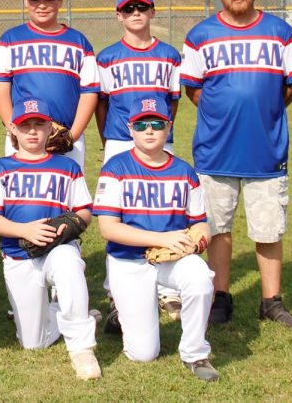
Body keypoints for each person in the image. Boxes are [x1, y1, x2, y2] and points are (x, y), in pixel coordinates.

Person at [180, 0, 292, 327]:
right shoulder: (201, 35)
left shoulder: (279, 31)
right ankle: (221, 297)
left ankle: (271, 301)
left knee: (268, 230)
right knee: (217, 229)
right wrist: (223, 113)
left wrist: (264, 111)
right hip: (216, 150)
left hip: (265, 150)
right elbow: (193, 88)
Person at [93, 96, 218, 382]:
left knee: (200, 276)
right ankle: (124, 314)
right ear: (130, 128)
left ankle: (195, 353)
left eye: (157, 123)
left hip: (171, 258)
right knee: (143, 353)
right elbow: (108, 229)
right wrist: (161, 238)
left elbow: (200, 224)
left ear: (169, 126)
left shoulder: (185, 172)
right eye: (141, 124)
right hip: (129, 260)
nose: (149, 130)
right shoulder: (116, 167)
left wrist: (197, 242)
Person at [0, 97, 101, 380]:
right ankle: (69, 311)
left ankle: (82, 348)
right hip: (19, 253)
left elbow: (84, 211)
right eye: (25, 126)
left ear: (50, 129)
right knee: (33, 343)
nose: (32, 132)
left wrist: (70, 227)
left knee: (69, 263)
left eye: (39, 125)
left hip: (57, 249)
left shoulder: (67, 167)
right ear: (13, 130)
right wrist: (25, 230)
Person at [95, 0, 183, 328]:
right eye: (129, 8)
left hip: (161, 140)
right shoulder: (107, 57)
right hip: (119, 140)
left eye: (142, 7)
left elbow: (173, 101)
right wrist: (108, 139)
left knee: (164, 210)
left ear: (152, 12)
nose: (136, 13)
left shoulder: (170, 56)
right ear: (119, 15)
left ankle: (166, 286)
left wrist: (164, 132)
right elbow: (101, 103)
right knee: (118, 216)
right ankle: (116, 289)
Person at [0, 0, 100, 168]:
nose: (41, 5)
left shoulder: (79, 42)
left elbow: (89, 91)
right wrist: (13, 129)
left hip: (67, 136)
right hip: (22, 133)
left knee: (67, 195)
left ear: (60, 0)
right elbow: (1, 88)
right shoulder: (10, 39)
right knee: (20, 195)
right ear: (25, 1)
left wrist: (72, 136)